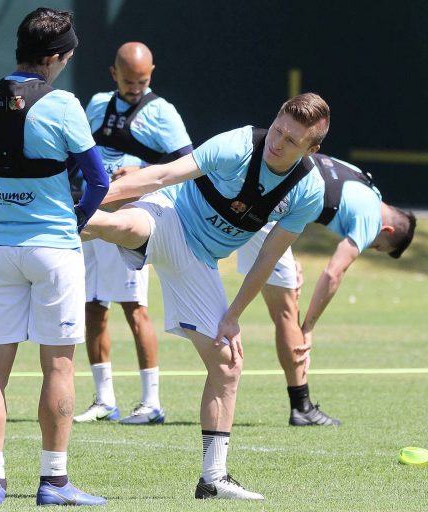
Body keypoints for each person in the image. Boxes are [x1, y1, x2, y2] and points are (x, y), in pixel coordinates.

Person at [81, 93, 331, 500]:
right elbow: (161, 176)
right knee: (123, 225)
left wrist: (233, 315)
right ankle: (58, 218)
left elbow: (267, 257)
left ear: (311, 149)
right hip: (169, 213)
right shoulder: (238, 144)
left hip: (199, 260)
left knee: (228, 361)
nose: (278, 142)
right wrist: (91, 198)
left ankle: (213, 479)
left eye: (291, 141)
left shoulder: (308, 190)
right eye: (278, 130)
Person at [0, 7, 109, 507]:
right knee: (59, 368)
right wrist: (74, 221)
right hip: (55, 251)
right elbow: (98, 181)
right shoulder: (64, 105)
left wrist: (3, 216)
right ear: (57, 57)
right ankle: (54, 483)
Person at [237, 155, 417, 426]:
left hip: (259, 191)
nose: (370, 246)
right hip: (263, 209)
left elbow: (308, 180)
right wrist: (309, 328)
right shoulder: (371, 219)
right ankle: (301, 408)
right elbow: (333, 273)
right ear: (387, 229)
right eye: (378, 246)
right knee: (287, 313)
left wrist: (289, 256)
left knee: (285, 303)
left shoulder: (362, 180)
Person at [72, 42, 193, 425]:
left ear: (151, 73)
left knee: (134, 308)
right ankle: (104, 400)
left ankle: (151, 402)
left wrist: (139, 171)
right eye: (128, 81)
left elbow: (187, 163)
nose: (135, 88)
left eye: (142, 81)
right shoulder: (97, 104)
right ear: (114, 74)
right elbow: (79, 151)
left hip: (128, 221)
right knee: (92, 308)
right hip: (92, 216)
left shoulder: (162, 112)